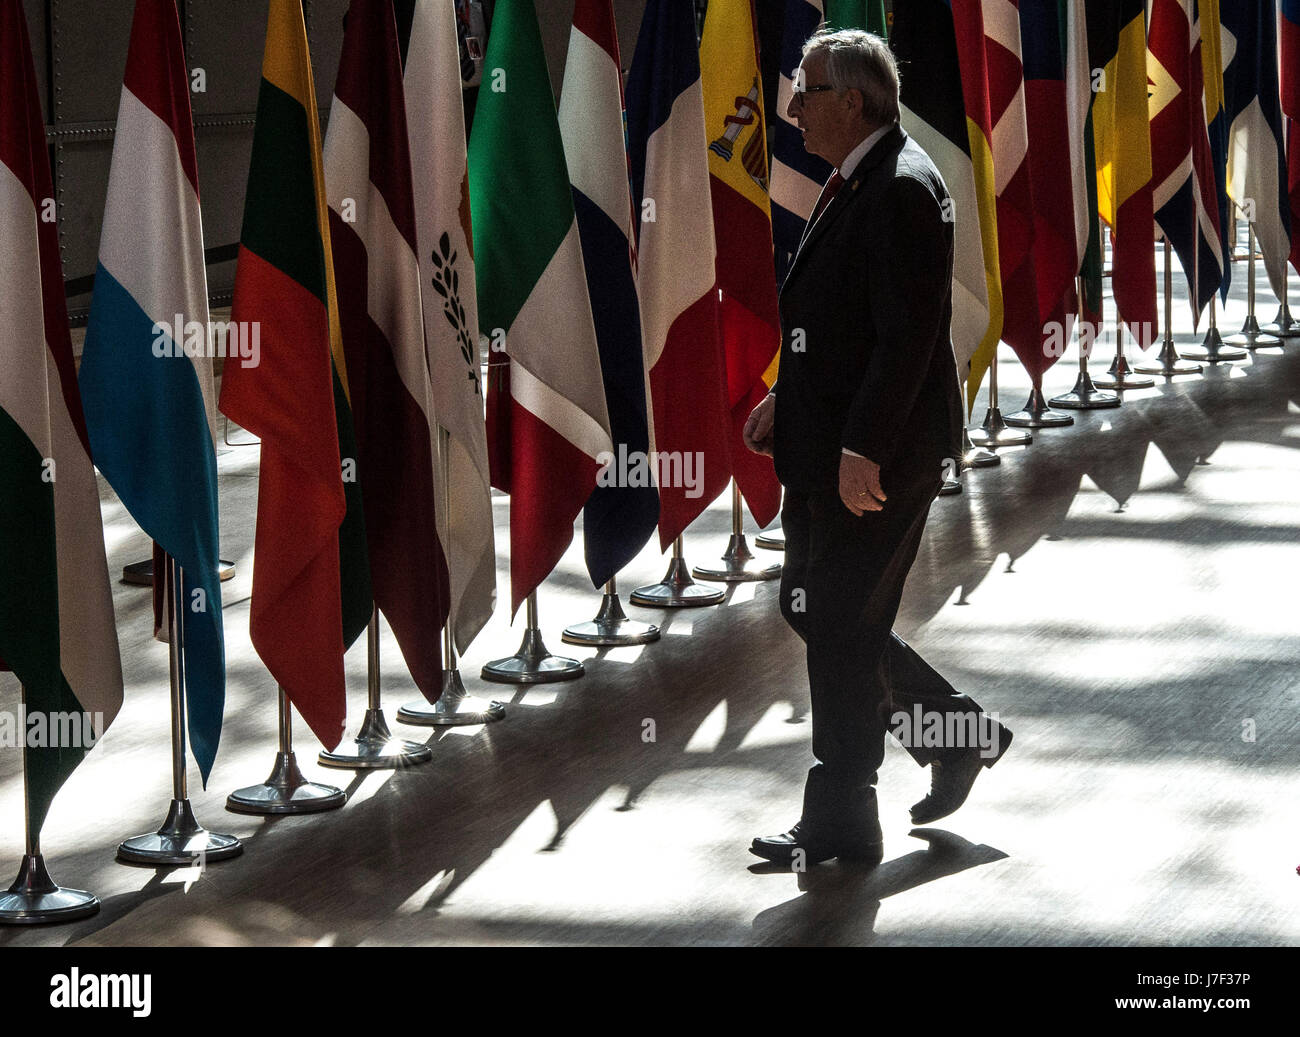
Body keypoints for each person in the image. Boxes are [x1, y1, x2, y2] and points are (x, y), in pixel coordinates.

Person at [743, 28, 1011, 866]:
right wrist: (791, 396)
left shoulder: (898, 186)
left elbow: (905, 340)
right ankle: (955, 734)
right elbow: (848, 319)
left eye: (805, 92)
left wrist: (861, 448)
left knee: (844, 626)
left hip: (879, 460)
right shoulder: (865, 175)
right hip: (834, 446)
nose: (791, 108)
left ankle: (844, 813)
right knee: (815, 608)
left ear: (851, 101)